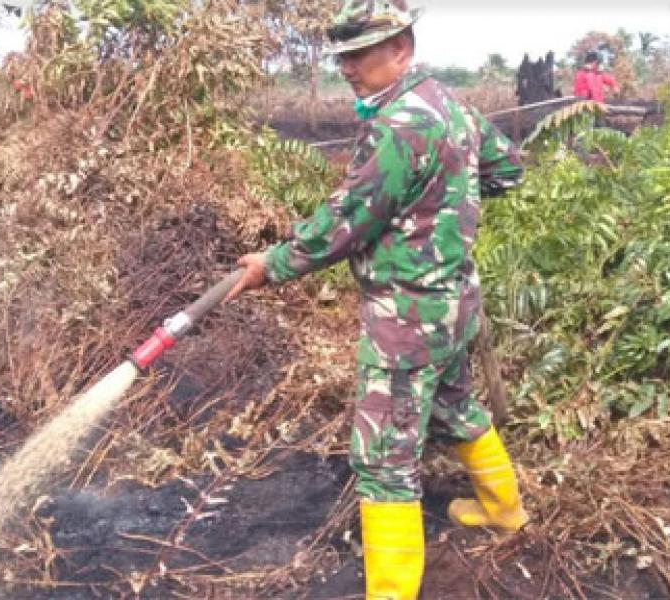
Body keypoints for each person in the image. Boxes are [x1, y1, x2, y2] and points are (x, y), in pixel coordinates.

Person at [226, 1, 528, 597]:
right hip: (454, 304)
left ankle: (390, 590)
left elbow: (347, 222)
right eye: (342, 56)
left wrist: (271, 264)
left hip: (407, 316)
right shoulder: (449, 104)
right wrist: (445, 202)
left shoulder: (397, 128)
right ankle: (503, 511)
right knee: (453, 405)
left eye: (359, 55)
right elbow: (507, 169)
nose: (347, 68)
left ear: (401, 50)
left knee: (385, 456)